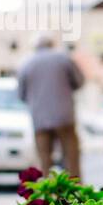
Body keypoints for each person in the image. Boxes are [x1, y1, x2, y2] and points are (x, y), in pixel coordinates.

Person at [17, 32, 84, 177]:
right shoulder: (63, 59)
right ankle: (75, 192)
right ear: (51, 44)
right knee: (71, 157)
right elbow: (79, 82)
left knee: (44, 160)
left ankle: (49, 193)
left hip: (39, 119)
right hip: (64, 116)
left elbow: (21, 95)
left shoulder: (26, 63)